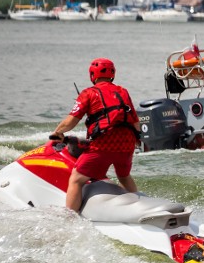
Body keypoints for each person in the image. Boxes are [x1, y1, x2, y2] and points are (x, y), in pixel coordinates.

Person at [51, 58, 141, 213]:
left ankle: (69, 219)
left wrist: (58, 132)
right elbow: (135, 122)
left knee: (76, 179)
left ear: (92, 74)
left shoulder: (88, 93)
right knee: (124, 176)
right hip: (127, 144)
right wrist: (136, 141)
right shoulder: (122, 91)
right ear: (113, 74)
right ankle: (141, 204)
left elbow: (72, 120)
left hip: (103, 145)